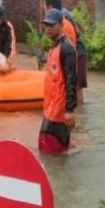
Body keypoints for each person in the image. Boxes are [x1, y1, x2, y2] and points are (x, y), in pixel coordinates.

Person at [39, 9, 77, 154]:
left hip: (59, 111)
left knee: (52, 151)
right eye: (46, 25)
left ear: (61, 24)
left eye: (51, 25)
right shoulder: (54, 46)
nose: (47, 28)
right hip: (50, 108)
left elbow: (71, 80)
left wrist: (69, 110)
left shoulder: (67, 49)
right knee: (46, 150)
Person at [44, 0, 87, 103]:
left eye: (44, 7)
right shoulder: (61, 17)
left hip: (78, 53)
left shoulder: (63, 21)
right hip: (76, 51)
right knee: (75, 87)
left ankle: (77, 114)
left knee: (76, 87)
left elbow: (69, 47)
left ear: (50, 6)